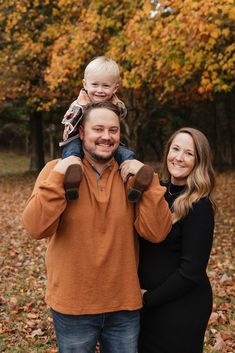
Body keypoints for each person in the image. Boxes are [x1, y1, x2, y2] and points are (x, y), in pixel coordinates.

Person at [22, 101, 172, 353]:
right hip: (73, 306)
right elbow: (36, 227)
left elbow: (156, 232)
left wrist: (152, 184)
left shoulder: (133, 177)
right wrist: (60, 175)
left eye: (113, 130)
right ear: (81, 133)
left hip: (123, 304)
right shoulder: (55, 172)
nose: (106, 136)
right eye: (98, 129)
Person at [137, 127, 216, 353]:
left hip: (180, 309)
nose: (179, 158)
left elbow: (191, 271)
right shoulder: (156, 192)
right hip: (147, 306)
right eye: (176, 149)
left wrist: (148, 299)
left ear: (199, 161)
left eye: (189, 153)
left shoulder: (198, 205)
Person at [60, 56, 151, 203]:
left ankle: (134, 180)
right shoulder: (79, 103)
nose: (100, 91)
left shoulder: (115, 103)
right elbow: (69, 124)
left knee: (124, 154)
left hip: (103, 144)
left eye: (106, 86)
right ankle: (72, 179)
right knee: (72, 154)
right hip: (76, 138)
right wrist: (83, 108)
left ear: (115, 88)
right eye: (94, 85)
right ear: (85, 84)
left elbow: (122, 114)